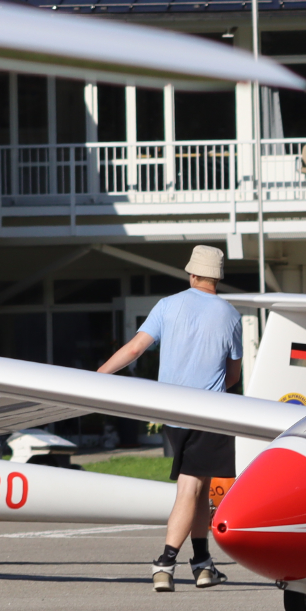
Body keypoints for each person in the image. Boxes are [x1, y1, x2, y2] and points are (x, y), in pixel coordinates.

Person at [97, 245, 244, 592]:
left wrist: (98, 375)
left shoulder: (167, 305)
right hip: (209, 413)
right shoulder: (231, 315)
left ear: (192, 274)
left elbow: (134, 349)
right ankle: (164, 562)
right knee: (191, 487)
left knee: (201, 487)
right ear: (217, 279)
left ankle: (202, 563)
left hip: (172, 412)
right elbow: (233, 375)